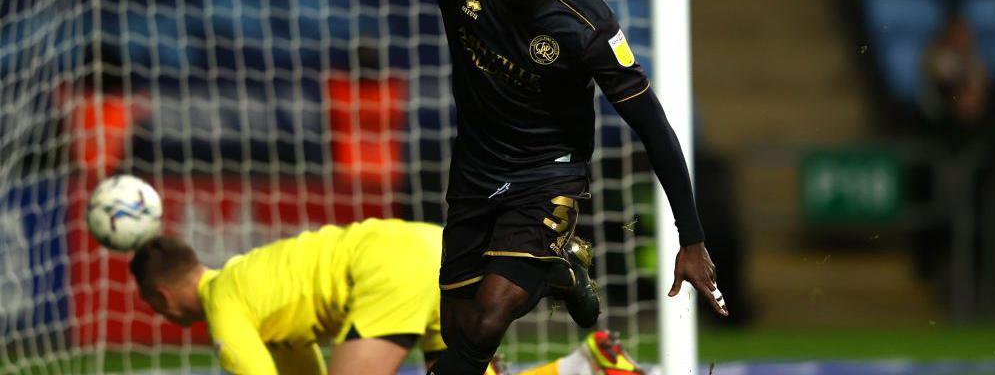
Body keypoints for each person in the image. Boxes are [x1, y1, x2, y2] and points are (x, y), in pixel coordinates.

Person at [171, 0, 727, 375]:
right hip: (474, 176)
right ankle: (562, 291)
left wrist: (692, 237)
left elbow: (653, 125)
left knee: (486, 322)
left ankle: (546, 269)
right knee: (463, 336)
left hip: (546, 175)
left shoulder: (587, 24)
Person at [131, 219, 644, 375]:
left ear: (160, 295)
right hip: (428, 248)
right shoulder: (256, 294)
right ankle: (587, 364)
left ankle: (526, 266)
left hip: (386, 271)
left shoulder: (225, 305)